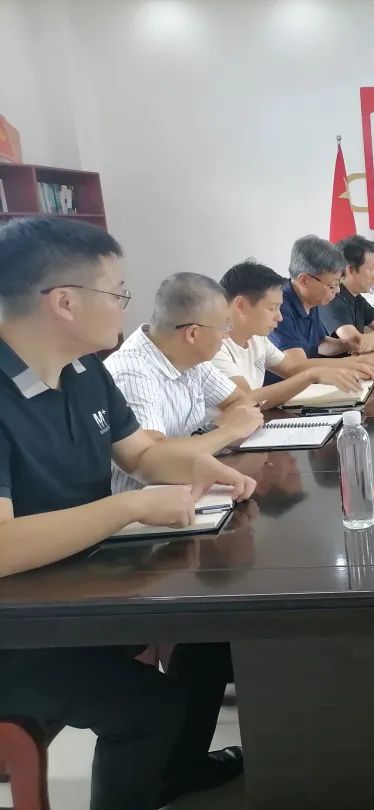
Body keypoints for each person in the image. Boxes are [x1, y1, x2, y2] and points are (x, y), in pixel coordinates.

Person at [0, 217, 256, 809]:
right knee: (149, 706)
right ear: (64, 302)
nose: (126, 306)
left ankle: (178, 772)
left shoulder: (84, 369)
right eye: (117, 292)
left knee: (208, 642)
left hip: (78, 589)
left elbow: (139, 453)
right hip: (17, 628)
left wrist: (198, 465)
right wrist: (128, 507)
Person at [105, 273, 264, 492]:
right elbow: (154, 461)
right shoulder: (132, 372)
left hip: (191, 488)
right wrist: (226, 431)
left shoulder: (193, 359)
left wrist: (212, 433)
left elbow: (241, 401)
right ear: (192, 334)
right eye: (223, 326)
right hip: (148, 503)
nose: (226, 335)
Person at [215, 260, 374, 408]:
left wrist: (356, 364)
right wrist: (313, 375)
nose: (279, 317)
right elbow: (246, 401)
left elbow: (293, 368)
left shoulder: (257, 339)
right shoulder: (216, 347)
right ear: (241, 305)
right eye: (272, 308)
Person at [267, 235, 374, 383]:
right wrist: (358, 362)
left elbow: (320, 344)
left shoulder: (311, 300)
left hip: (308, 385)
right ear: (304, 280)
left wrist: (347, 344)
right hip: (282, 391)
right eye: (332, 285)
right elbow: (297, 365)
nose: (338, 290)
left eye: (338, 283)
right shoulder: (279, 306)